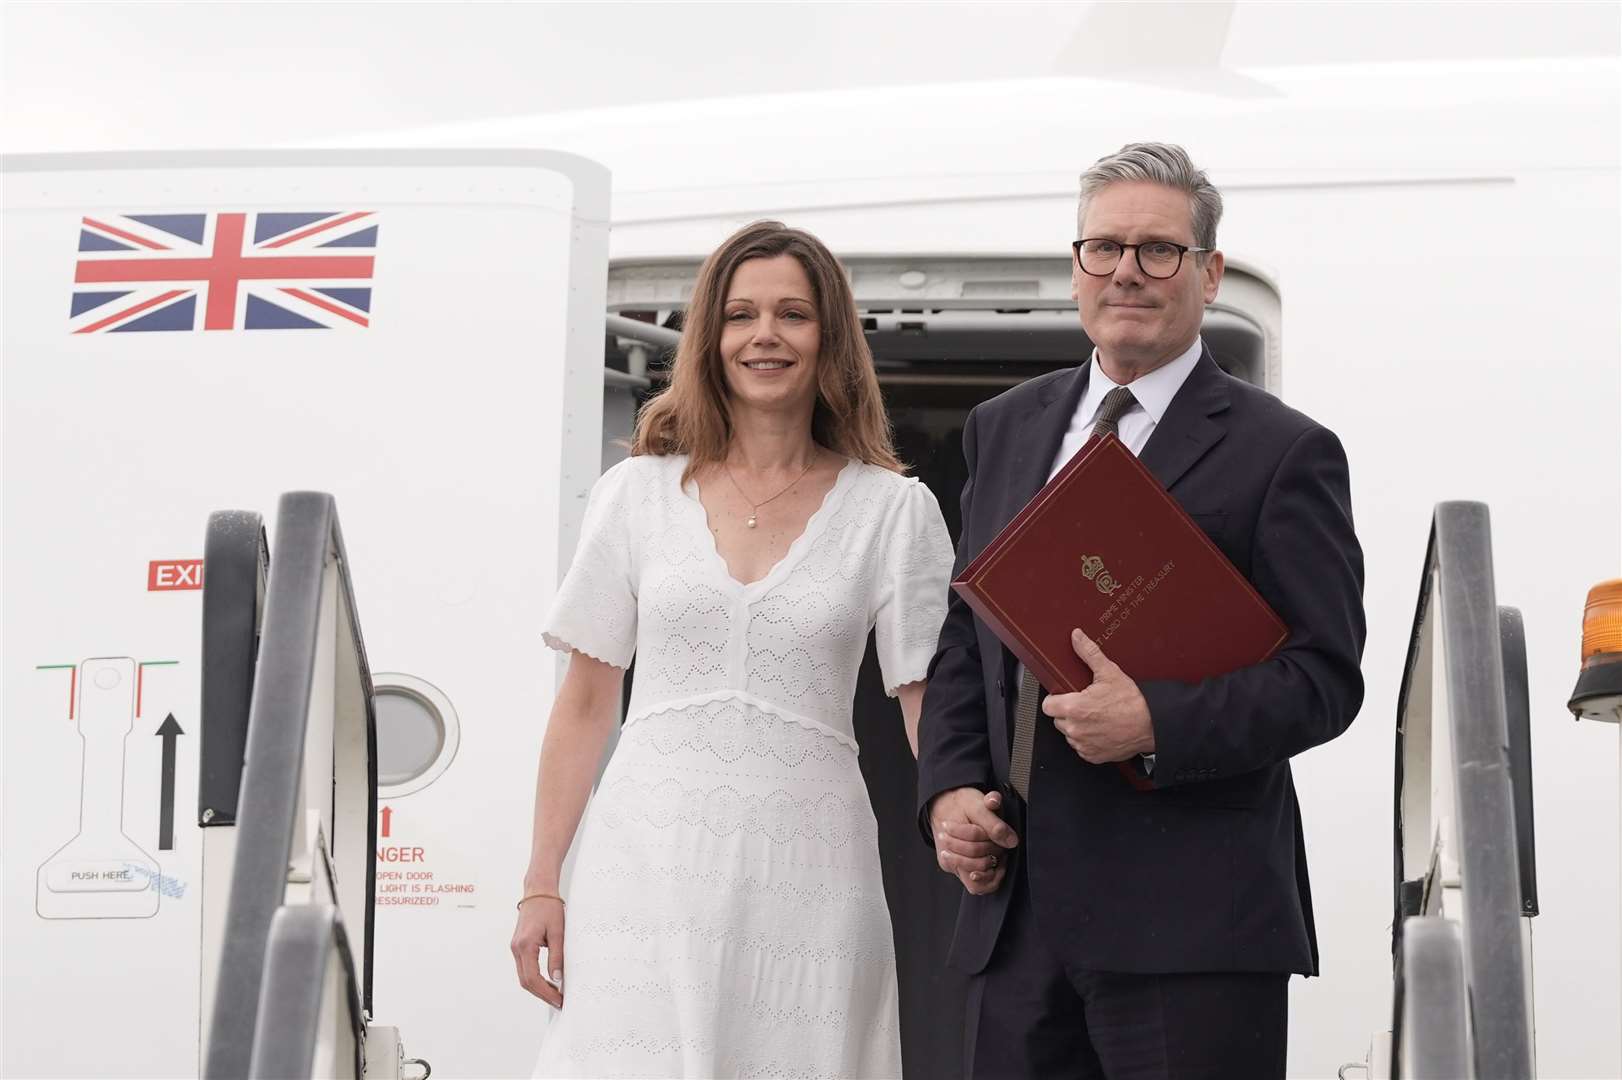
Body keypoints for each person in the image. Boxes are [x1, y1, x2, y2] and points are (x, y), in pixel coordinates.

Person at [915, 143, 1366, 1079]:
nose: (1126, 270)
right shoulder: (1003, 428)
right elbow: (968, 633)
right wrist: (948, 790)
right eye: (1104, 248)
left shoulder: (1286, 452)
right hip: (1016, 918)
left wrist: (1154, 721)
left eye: (1158, 251)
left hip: (1192, 927)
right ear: (1076, 267)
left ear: (1209, 273)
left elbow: (1323, 680)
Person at [515, 220, 955, 1078]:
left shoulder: (895, 511)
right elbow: (583, 704)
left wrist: (964, 818)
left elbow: (928, 708)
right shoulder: (634, 495)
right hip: (644, 867)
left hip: (811, 870)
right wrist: (541, 881)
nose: (765, 335)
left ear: (829, 338)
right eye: (741, 314)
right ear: (710, 337)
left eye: (793, 313)